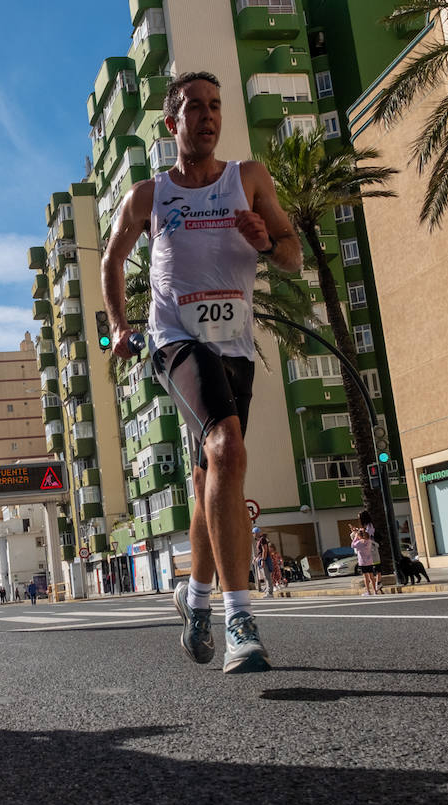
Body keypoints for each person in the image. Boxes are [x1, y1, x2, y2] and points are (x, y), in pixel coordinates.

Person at [104, 71, 301, 672]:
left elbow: (292, 257)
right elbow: (112, 259)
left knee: (210, 481)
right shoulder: (149, 195)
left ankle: (193, 601)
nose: (208, 116)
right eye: (195, 107)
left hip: (235, 346)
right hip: (177, 342)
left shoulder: (250, 179)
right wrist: (119, 327)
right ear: (172, 123)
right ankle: (239, 618)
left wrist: (266, 239)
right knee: (227, 448)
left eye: (216, 106)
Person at [352, 526, 381, 596]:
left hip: (362, 562)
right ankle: (375, 591)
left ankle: (368, 591)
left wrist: (355, 536)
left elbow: (352, 545)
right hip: (369, 561)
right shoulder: (369, 541)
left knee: (366, 577)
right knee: (371, 576)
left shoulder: (359, 542)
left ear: (359, 536)